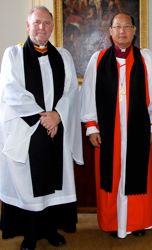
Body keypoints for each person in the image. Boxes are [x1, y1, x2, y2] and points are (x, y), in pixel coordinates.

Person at [0, 6, 83, 250]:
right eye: (37, 22)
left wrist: (58, 116)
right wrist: (42, 117)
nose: (42, 27)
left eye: (47, 23)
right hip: (29, 129)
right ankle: (30, 234)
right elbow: (11, 91)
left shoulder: (63, 56)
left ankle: (50, 229)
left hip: (56, 127)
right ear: (28, 25)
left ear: (52, 27)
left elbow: (71, 92)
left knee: (54, 183)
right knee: (29, 184)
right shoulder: (13, 55)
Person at [81, 12, 152, 238]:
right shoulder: (98, 60)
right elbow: (89, 95)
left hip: (137, 129)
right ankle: (113, 223)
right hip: (109, 132)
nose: (122, 31)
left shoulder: (145, 58)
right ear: (110, 31)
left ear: (134, 31)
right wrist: (92, 126)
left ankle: (138, 222)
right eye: (117, 27)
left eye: (127, 26)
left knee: (137, 173)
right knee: (112, 176)